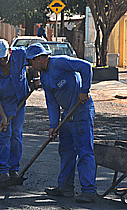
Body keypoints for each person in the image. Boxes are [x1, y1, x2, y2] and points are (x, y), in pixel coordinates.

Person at [26, 43, 97, 203]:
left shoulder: (60, 62)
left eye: (32, 62)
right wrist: (53, 125)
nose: (32, 66)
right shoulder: (44, 77)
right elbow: (51, 102)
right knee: (66, 151)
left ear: (39, 59)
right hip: (67, 116)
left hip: (81, 111)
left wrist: (84, 90)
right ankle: (65, 187)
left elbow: (86, 67)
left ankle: (89, 191)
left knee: (84, 152)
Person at [0, 39, 31, 181]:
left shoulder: (21, 54)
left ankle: (14, 169)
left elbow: (36, 60)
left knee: (16, 135)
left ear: (9, 52)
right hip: (3, 104)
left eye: (4, 58)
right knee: (5, 134)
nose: (2, 61)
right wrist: (3, 116)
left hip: (19, 101)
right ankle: (3, 171)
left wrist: (35, 77)